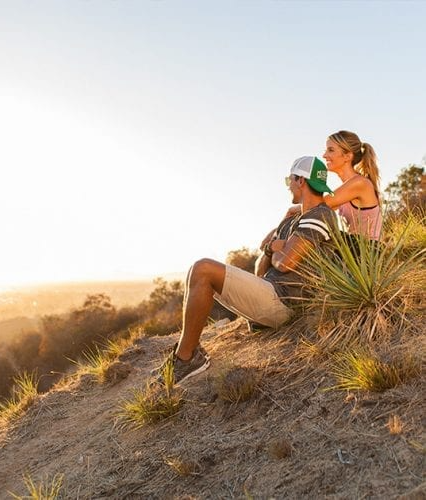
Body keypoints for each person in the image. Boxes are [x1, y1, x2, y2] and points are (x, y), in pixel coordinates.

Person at [152, 156, 338, 385]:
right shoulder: (293, 220)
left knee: (203, 269)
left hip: (286, 302)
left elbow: (285, 263)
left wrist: (277, 251)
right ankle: (187, 350)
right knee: (196, 270)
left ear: (300, 180)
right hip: (270, 293)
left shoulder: (321, 215)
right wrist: (272, 246)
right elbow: (261, 267)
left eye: (289, 180)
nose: (288, 185)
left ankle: (187, 358)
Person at [285, 130, 382, 240]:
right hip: (355, 245)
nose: (324, 155)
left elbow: (315, 206)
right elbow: (316, 209)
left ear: (347, 156)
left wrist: (291, 211)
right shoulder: (347, 188)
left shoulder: (360, 183)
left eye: (331, 150)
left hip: (368, 249)